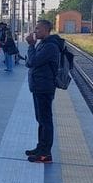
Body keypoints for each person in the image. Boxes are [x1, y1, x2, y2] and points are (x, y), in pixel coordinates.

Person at [25, 19, 62, 163]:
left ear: (47, 30)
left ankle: (46, 154)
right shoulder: (44, 44)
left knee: (45, 120)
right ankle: (40, 147)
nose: (35, 31)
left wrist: (31, 46)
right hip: (39, 86)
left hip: (44, 88)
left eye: (38, 29)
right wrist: (33, 47)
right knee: (40, 119)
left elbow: (32, 62)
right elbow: (30, 62)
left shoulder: (50, 46)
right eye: (35, 28)